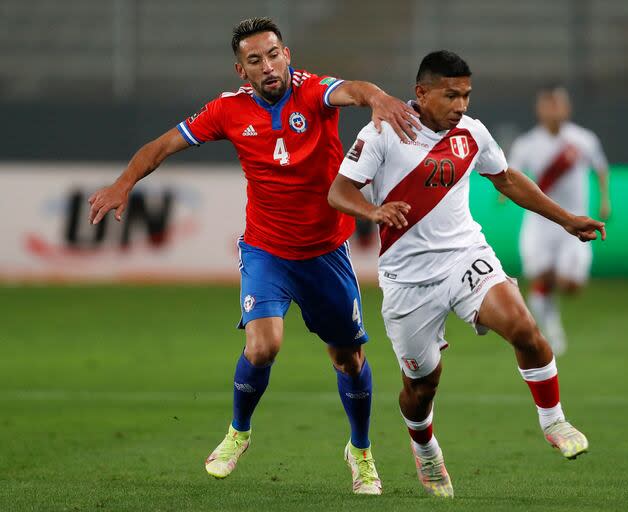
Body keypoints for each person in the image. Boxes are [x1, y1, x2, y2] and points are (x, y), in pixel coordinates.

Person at [87, 17, 421, 496]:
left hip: (325, 253)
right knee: (263, 346)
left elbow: (353, 90)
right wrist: (123, 184)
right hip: (266, 250)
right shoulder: (227, 110)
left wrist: (379, 98)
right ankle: (238, 433)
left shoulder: (313, 93)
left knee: (348, 359)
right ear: (241, 70)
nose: (268, 66)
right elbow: (162, 146)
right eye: (255, 60)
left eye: (274, 54)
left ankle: (361, 451)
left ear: (287, 55)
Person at [327, 51, 605, 498]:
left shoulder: (472, 133)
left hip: (464, 256)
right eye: (451, 95)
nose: (461, 105)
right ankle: (425, 447)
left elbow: (508, 179)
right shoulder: (382, 132)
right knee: (421, 387)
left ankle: (554, 420)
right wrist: (374, 210)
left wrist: (567, 219)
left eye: (467, 95)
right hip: (408, 279)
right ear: (422, 93)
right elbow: (339, 192)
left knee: (523, 328)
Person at [507, 86, 610, 355]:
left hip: (575, 223)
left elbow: (601, 168)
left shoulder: (583, 140)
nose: (553, 109)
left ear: (567, 107)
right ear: (539, 109)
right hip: (540, 224)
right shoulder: (527, 144)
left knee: (570, 285)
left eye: (558, 104)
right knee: (540, 276)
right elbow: (510, 174)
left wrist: (604, 200)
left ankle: (548, 296)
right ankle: (551, 329)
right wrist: (503, 196)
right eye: (548, 104)